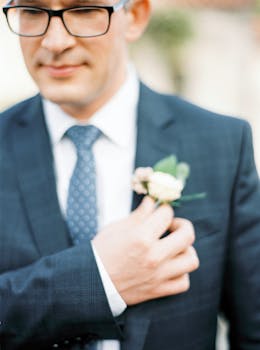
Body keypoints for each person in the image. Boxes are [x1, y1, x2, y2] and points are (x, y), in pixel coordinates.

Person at [0, 0, 259, 349]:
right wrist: (98, 278)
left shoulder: (222, 143)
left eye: (83, 10)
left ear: (134, 17)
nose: (54, 41)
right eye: (32, 11)